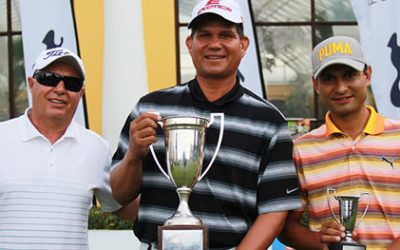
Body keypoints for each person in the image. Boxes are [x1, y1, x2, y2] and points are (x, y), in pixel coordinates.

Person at [110, 0, 301, 249]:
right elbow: (118, 195)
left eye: (225, 35)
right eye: (204, 35)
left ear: (243, 45)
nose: (214, 44)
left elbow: (274, 210)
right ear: (190, 44)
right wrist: (134, 154)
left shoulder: (269, 122)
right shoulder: (149, 109)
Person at [0, 47, 135, 249]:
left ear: (81, 93)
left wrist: (187, 214)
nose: (60, 89)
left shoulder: (96, 148)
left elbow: (122, 204)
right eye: (49, 79)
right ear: (31, 84)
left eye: (72, 84)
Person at [279, 36, 400, 250]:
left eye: (349, 75)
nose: (341, 87)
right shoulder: (302, 149)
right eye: (328, 79)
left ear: (367, 75)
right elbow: (287, 228)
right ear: (316, 84)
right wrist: (320, 242)